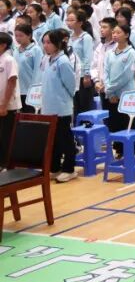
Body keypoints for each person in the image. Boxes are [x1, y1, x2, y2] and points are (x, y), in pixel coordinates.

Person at [39, 30, 77, 182]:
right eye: (44, 42)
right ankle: (54, 168)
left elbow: (71, 85)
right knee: (52, 141)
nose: (45, 45)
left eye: (49, 42)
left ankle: (69, 169)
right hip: (48, 108)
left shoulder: (63, 61)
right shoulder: (46, 59)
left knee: (65, 139)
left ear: (58, 44)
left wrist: (64, 100)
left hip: (61, 109)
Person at [0, 32, 19, 167]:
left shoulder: (9, 60)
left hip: (8, 106)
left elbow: (12, 82)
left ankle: (7, 164)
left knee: (6, 136)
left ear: (3, 45)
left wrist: (4, 105)